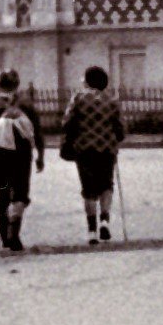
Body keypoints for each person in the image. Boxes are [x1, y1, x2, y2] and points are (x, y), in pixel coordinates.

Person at [0, 69, 45, 251]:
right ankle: (14, 233)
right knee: (20, 191)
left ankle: (4, 233)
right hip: (22, 153)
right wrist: (40, 157)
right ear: (18, 83)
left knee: (3, 190)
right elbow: (37, 133)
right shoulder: (27, 105)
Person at [62, 65, 125, 245]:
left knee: (88, 189)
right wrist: (114, 137)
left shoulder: (78, 99)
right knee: (106, 184)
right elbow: (120, 129)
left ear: (88, 80)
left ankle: (91, 231)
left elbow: (66, 123)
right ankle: (104, 220)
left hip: (84, 149)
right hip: (106, 148)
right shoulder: (112, 101)